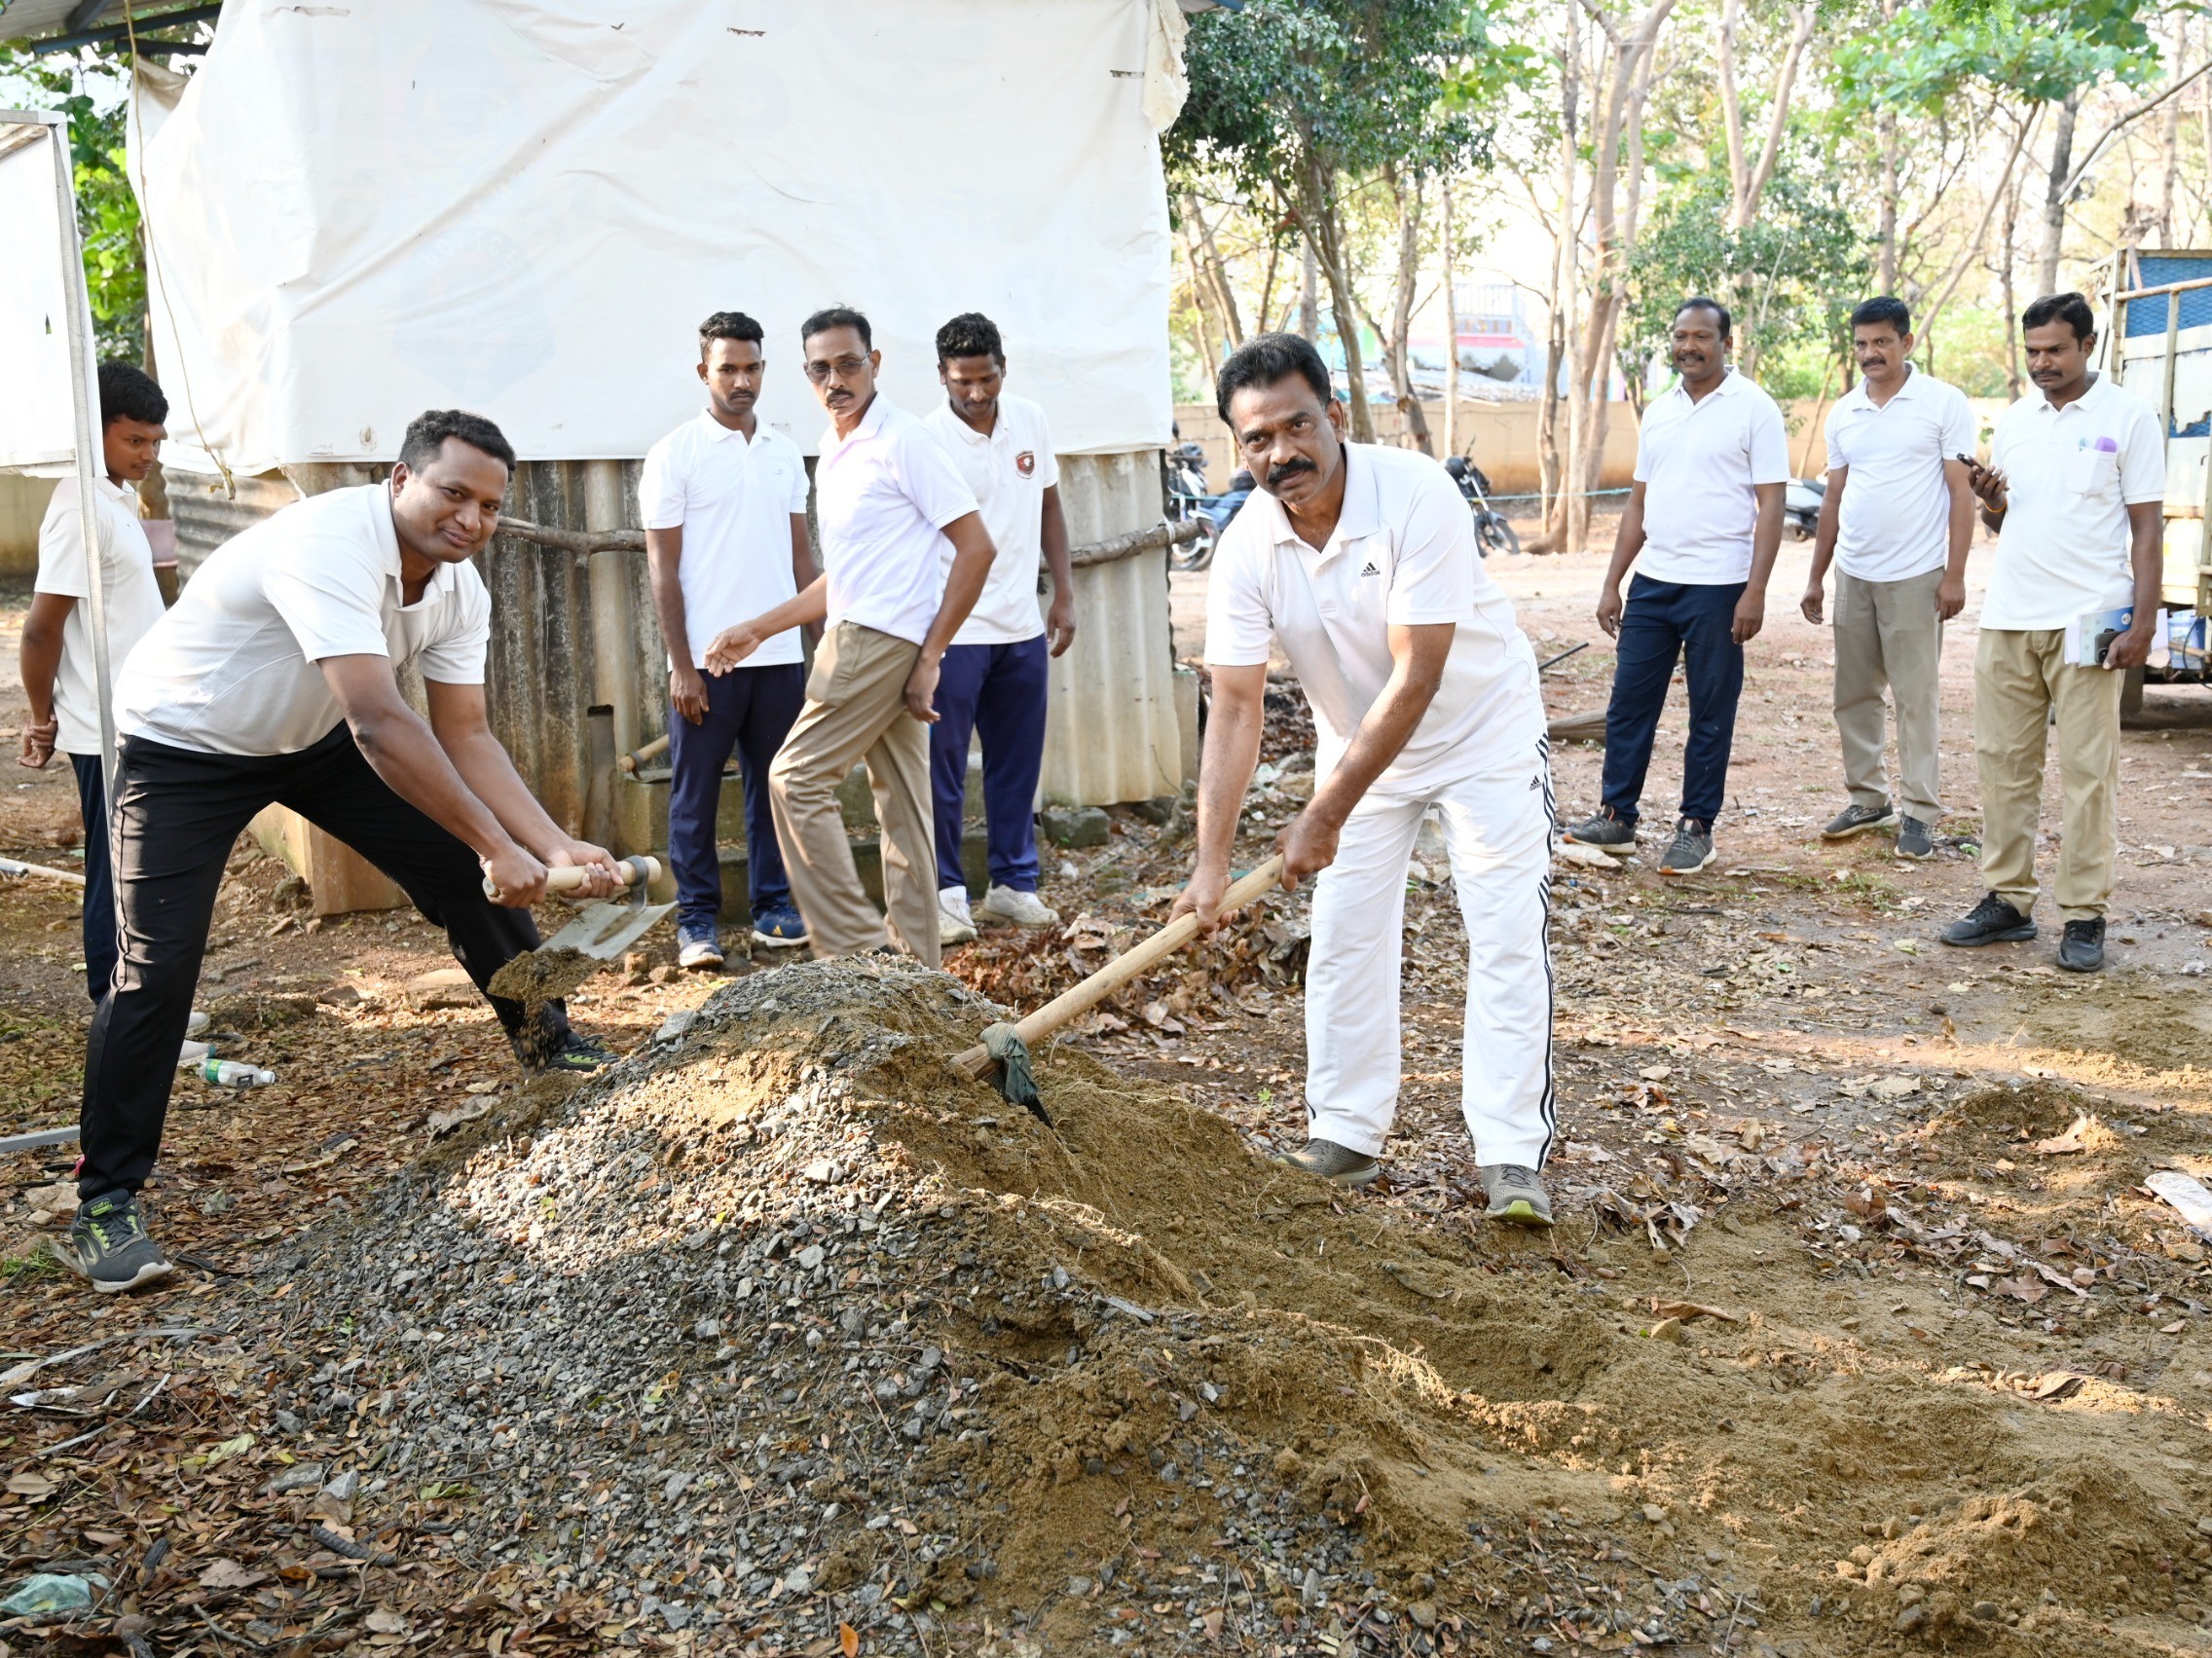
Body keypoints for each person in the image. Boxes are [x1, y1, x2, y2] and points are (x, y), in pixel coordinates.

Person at [63, 410, 624, 1294]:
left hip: (309, 735)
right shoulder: (330, 543)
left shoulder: (457, 589)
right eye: (453, 493)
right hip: (184, 742)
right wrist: (494, 843)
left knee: (457, 870)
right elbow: (377, 720)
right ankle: (104, 1200)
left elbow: (467, 733)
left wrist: (550, 841)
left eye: (488, 506)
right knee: (156, 967)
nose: (470, 520)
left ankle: (549, 1045)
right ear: (400, 479)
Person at [1172, 334, 1557, 1225]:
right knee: (1345, 934)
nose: (1281, 452)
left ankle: (1510, 1155)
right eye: (1258, 438)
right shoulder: (1247, 545)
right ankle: (1344, 1134)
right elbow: (1235, 706)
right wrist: (1210, 860)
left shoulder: (1415, 494)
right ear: (1239, 447)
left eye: (1297, 426)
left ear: (1336, 415)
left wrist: (1324, 812)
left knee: (1503, 932)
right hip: (1362, 746)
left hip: (1482, 734)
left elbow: (1417, 674)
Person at [703, 308, 996, 968]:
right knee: (906, 812)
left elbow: (976, 547)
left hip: (878, 642)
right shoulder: (835, 449)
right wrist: (759, 628)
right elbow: (846, 578)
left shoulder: (904, 440)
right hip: (866, 631)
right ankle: (918, 977)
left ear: (875, 363)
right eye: (820, 369)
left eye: (848, 364)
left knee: (794, 779)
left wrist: (932, 654)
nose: (835, 380)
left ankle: (856, 956)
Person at [1943, 292, 2164, 973]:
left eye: (2056, 350)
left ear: (2087, 345)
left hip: (2089, 620)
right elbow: (2009, 520)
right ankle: (2008, 900)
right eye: (2033, 351)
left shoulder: (2128, 416)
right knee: (2003, 765)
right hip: (2010, 615)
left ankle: (2084, 913)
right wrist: (1993, 502)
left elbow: (2147, 527)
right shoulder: (2014, 421)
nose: (2042, 362)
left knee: (2089, 773)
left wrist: (2144, 621)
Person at [1562, 298, 1788, 875]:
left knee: (1710, 711)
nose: (1689, 346)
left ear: (1726, 343)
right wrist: (1613, 582)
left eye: (1702, 336)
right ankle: (1617, 817)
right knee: (1629, 704)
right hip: (1654, 584)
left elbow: (1771, 504)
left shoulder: (1754, 408)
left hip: (1720, 586)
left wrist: (1755, 590)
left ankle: (1696, 827)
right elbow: (1639, 502)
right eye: (1681, 336)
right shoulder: (1660, 410)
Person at [642, 311, 813, 970]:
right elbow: (662, 568)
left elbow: (802, 558)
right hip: (708, 664)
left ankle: (773, 908)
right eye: (728, 369)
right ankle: (696, 922)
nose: (741, 381)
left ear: (764, 369)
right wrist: (681, 666)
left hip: (780, 657)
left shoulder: (783, 453)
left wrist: (821, 644)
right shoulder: (675, 454)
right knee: (696, 794)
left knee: (775, 787)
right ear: (703, 372)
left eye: (752, 368)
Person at [1801, 296, 1976, 862]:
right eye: (1861, 343)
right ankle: (1868, 799)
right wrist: (1816, 577)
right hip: (1854, 572)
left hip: (1916, 575)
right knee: (1853, 695)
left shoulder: (1943, 403)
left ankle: (1920, 812)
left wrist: (1954, 575)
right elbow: (1833, 497)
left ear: (1906, 342)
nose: (1870, 353)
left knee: (1915, 697)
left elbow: (1960, 494)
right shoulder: (1845, 411)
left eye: (1881, 341)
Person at [920, 312, 1076, 944]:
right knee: (943, 771)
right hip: (954, 633)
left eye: (986, 378)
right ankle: (946, 895)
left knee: (1015, 765)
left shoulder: (1030, 421)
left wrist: (1064, 593)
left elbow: (1049, 507)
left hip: (1020, 629)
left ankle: (1013, 884)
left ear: (1003, 369)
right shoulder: (924, 439)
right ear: (942, 376)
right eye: (963, 381)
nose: (976, 392)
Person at [17, 362, 171, 1003]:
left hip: (137, 716)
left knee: (140, 865)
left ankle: (143, 1009)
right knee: (118, 869)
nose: (148, 454)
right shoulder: (79, 509)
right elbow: (40, 629)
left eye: (155, 441)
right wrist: (40, 718)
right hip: (104, 725)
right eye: (134, 439)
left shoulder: (113, 498)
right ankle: (120, 1012)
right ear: (92, 429)